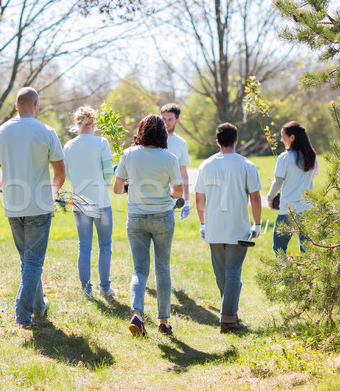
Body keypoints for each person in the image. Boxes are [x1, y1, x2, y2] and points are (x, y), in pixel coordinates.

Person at [0, 87, 65, 328]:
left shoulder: (2, 131)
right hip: (39, 205)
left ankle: (39, 306)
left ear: (17, 106)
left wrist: (6, 184)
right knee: (33, 262)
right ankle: (22, 313)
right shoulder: (47, 131)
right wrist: (52, 193)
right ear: (36, 105)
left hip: (13, 203)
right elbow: (60, 172)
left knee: (27, 260)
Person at [114, 114, 183, 337]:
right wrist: (166, 193)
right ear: (163, 133)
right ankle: (163, 321)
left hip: (136, 218)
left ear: (141, 131)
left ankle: (137, 314)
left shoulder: (129, 154)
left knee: (139, 270)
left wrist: (130, 187)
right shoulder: (169, 157)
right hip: (162, 216)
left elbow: (116, 189)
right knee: (162, 268)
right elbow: (178, 191)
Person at [194, 123, 261, 334]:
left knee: (222, 274)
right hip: (237, 226)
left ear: (217, 141)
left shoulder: (206, 165)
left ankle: (229, 312)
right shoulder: (246, 165)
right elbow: (256, 197)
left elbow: (199, 198)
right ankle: (228, 318)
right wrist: (257, 224)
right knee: (233, 274)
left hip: (214, 226)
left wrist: (203, 223)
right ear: (236, 140)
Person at [63, 106, 117, 298]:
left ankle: (86, 289)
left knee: (84, 246)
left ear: (77, 125)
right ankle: (105, 287)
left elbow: (67, 174)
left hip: (79, 201)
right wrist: (105, 183)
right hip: (101, 200)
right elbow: (109, 171)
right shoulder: (101, 143)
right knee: (105, 245)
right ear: (94, 124)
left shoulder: (68, 147)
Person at [267, 121, 318, 256]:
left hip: (288, 210)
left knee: (279, 248)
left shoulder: (284, 158)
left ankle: (287, 277)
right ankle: (306, 276)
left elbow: (278, 182)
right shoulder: (312, 157)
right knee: (307, 251)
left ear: (292, 137)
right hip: (307, 210)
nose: (281, 139)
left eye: (283, 136)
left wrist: (270, 197)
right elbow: (310, 180)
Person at [160, 103, 190, 219]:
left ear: (177, 121)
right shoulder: (152, 138)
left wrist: (186, 201)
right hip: (149, 196)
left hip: (170, 199)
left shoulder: (181, 143)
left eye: (170, 119)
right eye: (164, 119)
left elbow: (183, 173)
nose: (166, 123)